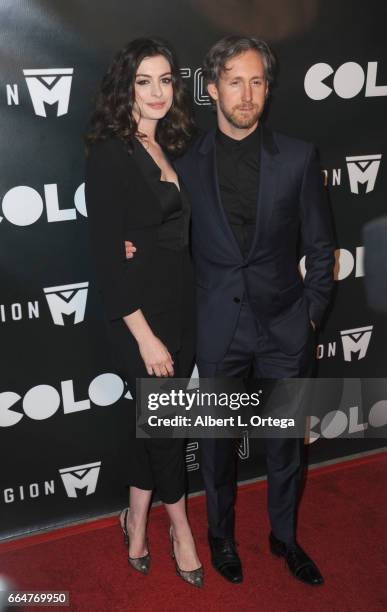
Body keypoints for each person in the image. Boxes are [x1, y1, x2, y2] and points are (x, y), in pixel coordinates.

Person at [126, 35, 335, 586]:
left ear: (267, 88)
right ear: (213, 87)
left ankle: (284, 537)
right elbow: (164, 240)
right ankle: (221, 539)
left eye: (258, 81)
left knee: (286, 447)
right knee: (217, 451)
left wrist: (309, 316)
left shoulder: (297, 156)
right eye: (236, 81)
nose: (248, 93)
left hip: (285, 329)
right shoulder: (185, 164)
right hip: (217, 330)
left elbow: (321, 249)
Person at [85, 38, 203, 588]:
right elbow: (106, 261)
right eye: (143, 81)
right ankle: (179, 527)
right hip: (139, 317)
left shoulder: (170, 144)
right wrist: (147, 339)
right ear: (125, 87)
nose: (157, 92)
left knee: (151, 425)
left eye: (165, 80)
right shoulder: (110, 152)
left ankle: (135, 521)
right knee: (169, 428)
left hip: (182, 301)